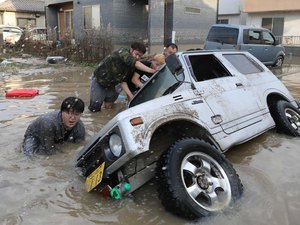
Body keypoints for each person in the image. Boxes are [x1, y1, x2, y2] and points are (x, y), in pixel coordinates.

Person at [88, 42, 156, 112]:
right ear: (131, 50)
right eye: (136, 54)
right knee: (94, 109)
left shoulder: (131, 66)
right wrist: (153, 71)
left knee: (109, 107)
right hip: (99, 80)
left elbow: (123, 81)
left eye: (140, 56)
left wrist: (131, 96)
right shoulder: (122, 52)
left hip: (112, 84)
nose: (137, 57)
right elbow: (136, 63)